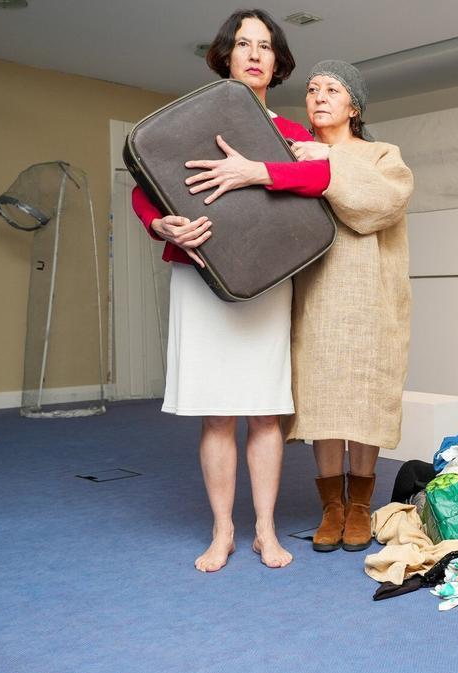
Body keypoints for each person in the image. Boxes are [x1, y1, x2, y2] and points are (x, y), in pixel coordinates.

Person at [131, 8, 329, 572]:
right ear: (226, 55)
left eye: (265, 45)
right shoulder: (191, 119)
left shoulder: (290, 133)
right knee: (216, 414)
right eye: (243, 43)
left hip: (264, 280)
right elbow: (147, 183)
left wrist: (258, 171)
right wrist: (158, 224)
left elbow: (320, 176)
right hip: (202, 279)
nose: (254, 53)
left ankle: (266, 531)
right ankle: (223, 530)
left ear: (277, 61)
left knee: (265, 413)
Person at [282, 60, 414, 554]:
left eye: (332, 89)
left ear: (353, 106)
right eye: (312, 89)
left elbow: (379, 204)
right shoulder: (294, 154)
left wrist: (326, 160)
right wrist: (311, 159)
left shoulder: (383, 155)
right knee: (324, 400)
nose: (319, 96)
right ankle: (331, 507)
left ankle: (359, 503)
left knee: (364, 398)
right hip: (316, 294)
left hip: (372, 296)